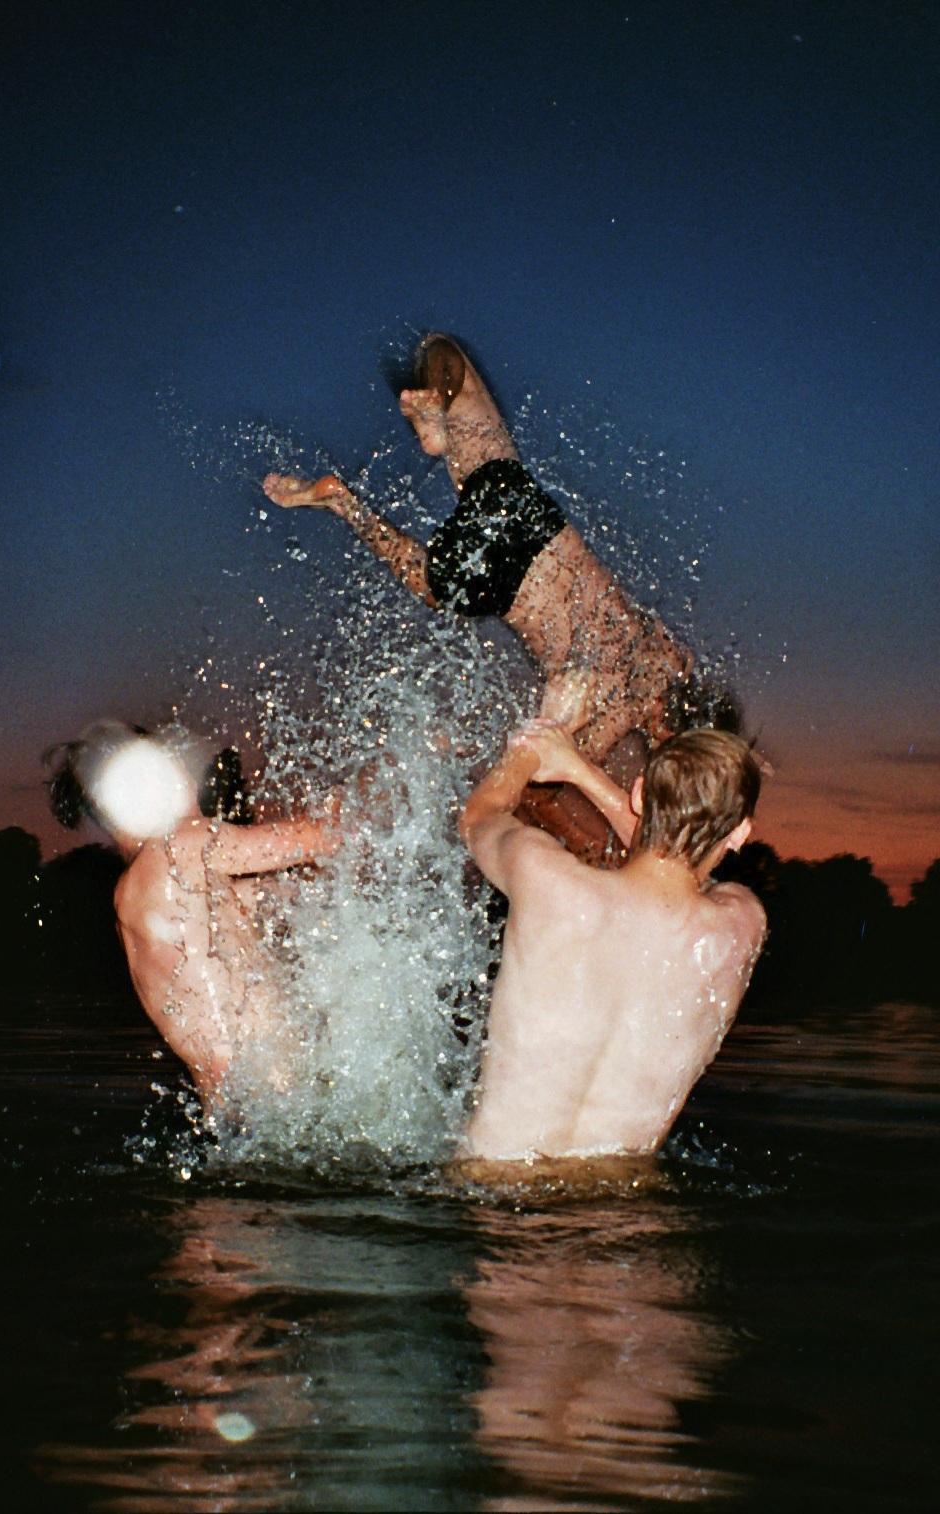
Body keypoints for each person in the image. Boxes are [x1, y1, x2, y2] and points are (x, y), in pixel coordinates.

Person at [263, 333, 701, 862]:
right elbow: (538, 788)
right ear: (666, 732)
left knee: (444, 355)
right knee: (430, 585)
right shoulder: (612, 712)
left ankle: (434, 420)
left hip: (531, 519)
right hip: (500, 582)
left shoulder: (671, 656)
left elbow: (683, 703)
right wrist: (595, 850)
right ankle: (346, 506)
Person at [455, 721, 767, 1162]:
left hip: (495, 1195)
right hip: (622, 1213)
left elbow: (479, 816)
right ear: (740, 833)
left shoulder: (544, 879)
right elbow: (689, 873)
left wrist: (535, 751)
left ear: (639, 794)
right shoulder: (740, 927)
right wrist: (581, 772)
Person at [47, 723, 342, 1109]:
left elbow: (291, 891)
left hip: (238, 1120)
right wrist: (403, 765)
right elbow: (325, 836)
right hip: (281, 1106)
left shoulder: (144, 893)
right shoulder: (183, 847)